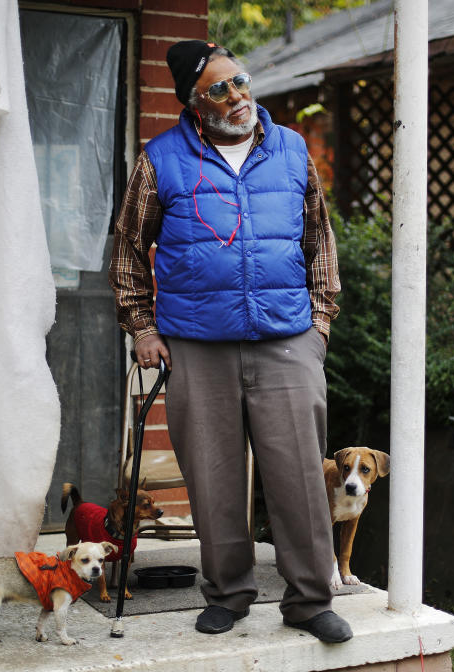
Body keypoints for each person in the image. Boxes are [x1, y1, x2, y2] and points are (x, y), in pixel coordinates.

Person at [108, 40, 351, 643]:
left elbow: (319, 239)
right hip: (197, 346)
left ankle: (310, 600)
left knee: (299, 475)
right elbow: (127, 247)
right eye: (219, 88)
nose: (237, 96)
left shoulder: (292, 149)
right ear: (193, 102)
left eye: (239, 80)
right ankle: (228, 593)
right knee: (213, 478)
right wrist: (140, 325)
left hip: (288, 340)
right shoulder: (159, 160)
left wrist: (319, 325)